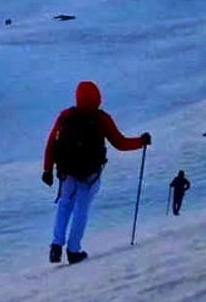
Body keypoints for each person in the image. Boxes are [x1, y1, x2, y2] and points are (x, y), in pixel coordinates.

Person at [42, 81, 150, 264]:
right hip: (89, 174)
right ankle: (73, 250)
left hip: (66, 171)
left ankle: (56, 246)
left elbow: (52, 142)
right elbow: (120, 142)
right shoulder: (101, 119)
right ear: (97, 98)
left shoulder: (66, 116)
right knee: (81, 210)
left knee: (64, 205)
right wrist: (141, 141)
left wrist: (47, 169)